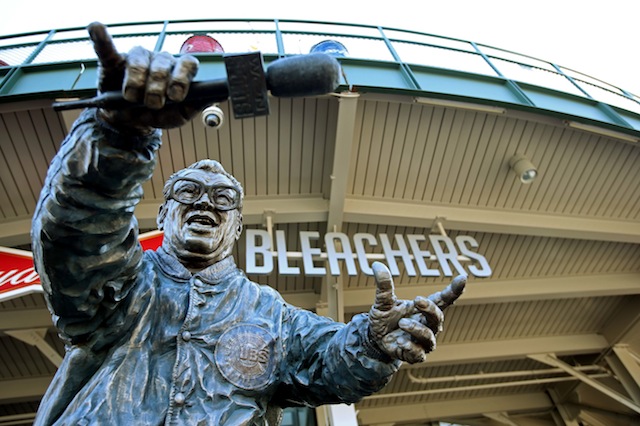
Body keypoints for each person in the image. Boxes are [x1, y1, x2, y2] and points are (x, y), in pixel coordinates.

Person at [31, 22, 466, 426]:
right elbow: (77, 234)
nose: (206, 204)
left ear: (237, 227)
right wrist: (117, 138)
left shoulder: (271, 314)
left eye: (223, 200)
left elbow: (328, 361)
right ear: (163, 215)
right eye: (188, 193)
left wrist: (371, 343)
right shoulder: (124, 283)